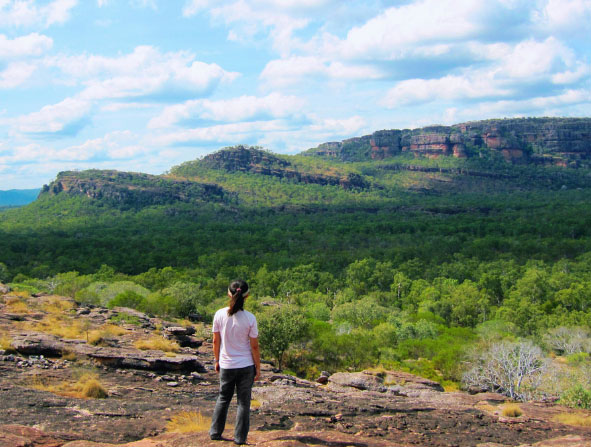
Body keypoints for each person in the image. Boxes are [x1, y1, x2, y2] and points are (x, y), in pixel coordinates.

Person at [209, 280, 261, 445]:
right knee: (243, 402)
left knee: (223, 398)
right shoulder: (250, 318)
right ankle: (239, 438)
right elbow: (254, 346)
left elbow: (215, 341)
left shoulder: (219, 314)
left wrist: (217, 360)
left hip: (226, 364)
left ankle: (215, 433)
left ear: (228, 294)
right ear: (248, 296)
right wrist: (258, 368)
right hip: (246, 366)